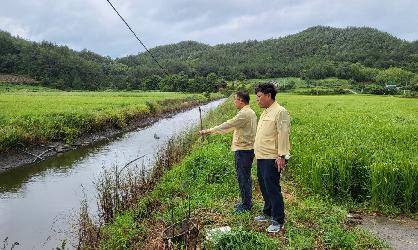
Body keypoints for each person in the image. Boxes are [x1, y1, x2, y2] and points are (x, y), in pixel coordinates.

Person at [200, 90, 257, 212]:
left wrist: (208, 131)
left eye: (235, 99)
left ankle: (246, 205)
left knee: (243, 177)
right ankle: (246, 201)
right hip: (248, 149)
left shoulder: (244, 114)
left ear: (241, 100)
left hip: (243, 150)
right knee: (245, 176)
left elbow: (228, 125)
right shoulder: (250, 112)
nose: (234, 102)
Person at [253, 82, 290, 233]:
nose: (257, 100)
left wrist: (281, 156)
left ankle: (278, 219)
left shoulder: (280, 111)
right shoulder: (265, 112)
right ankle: (268, 211)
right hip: (261, 156)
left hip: (271, 157)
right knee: (264, 186)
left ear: (268, 95)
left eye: (259, 97)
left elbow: (283, 134)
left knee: (273, 188)